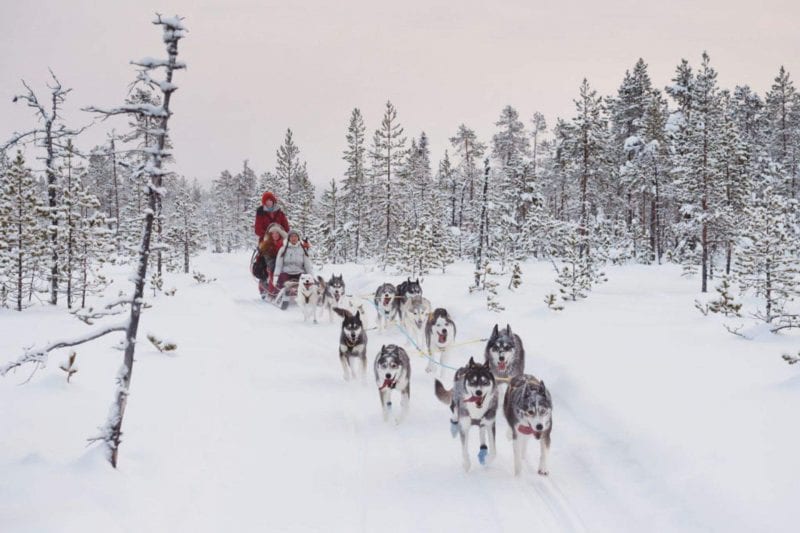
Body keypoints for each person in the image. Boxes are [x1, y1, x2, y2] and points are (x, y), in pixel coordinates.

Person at [271, 229, 314, 295]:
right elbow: (278, 265)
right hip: (286, 273)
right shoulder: (283, 249)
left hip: (299, 272)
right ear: (288, 238)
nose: (294, 238)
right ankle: (278, 295)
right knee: (282, 284)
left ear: (298, 238)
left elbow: (307, 265)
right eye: (292, 236)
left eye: (295, 236)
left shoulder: (303, 249)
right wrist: (276, 276)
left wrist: (311, 276)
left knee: (307, 283)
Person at [256, 223, 287, 299]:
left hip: (284, 261)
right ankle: (272, 292)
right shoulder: (267, 244)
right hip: (271, 262)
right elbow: (267, 256)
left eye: (277, 233)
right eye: (273, 234)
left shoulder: (285, 242)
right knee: (273, 271)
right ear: (270, 235)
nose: (275, 235)